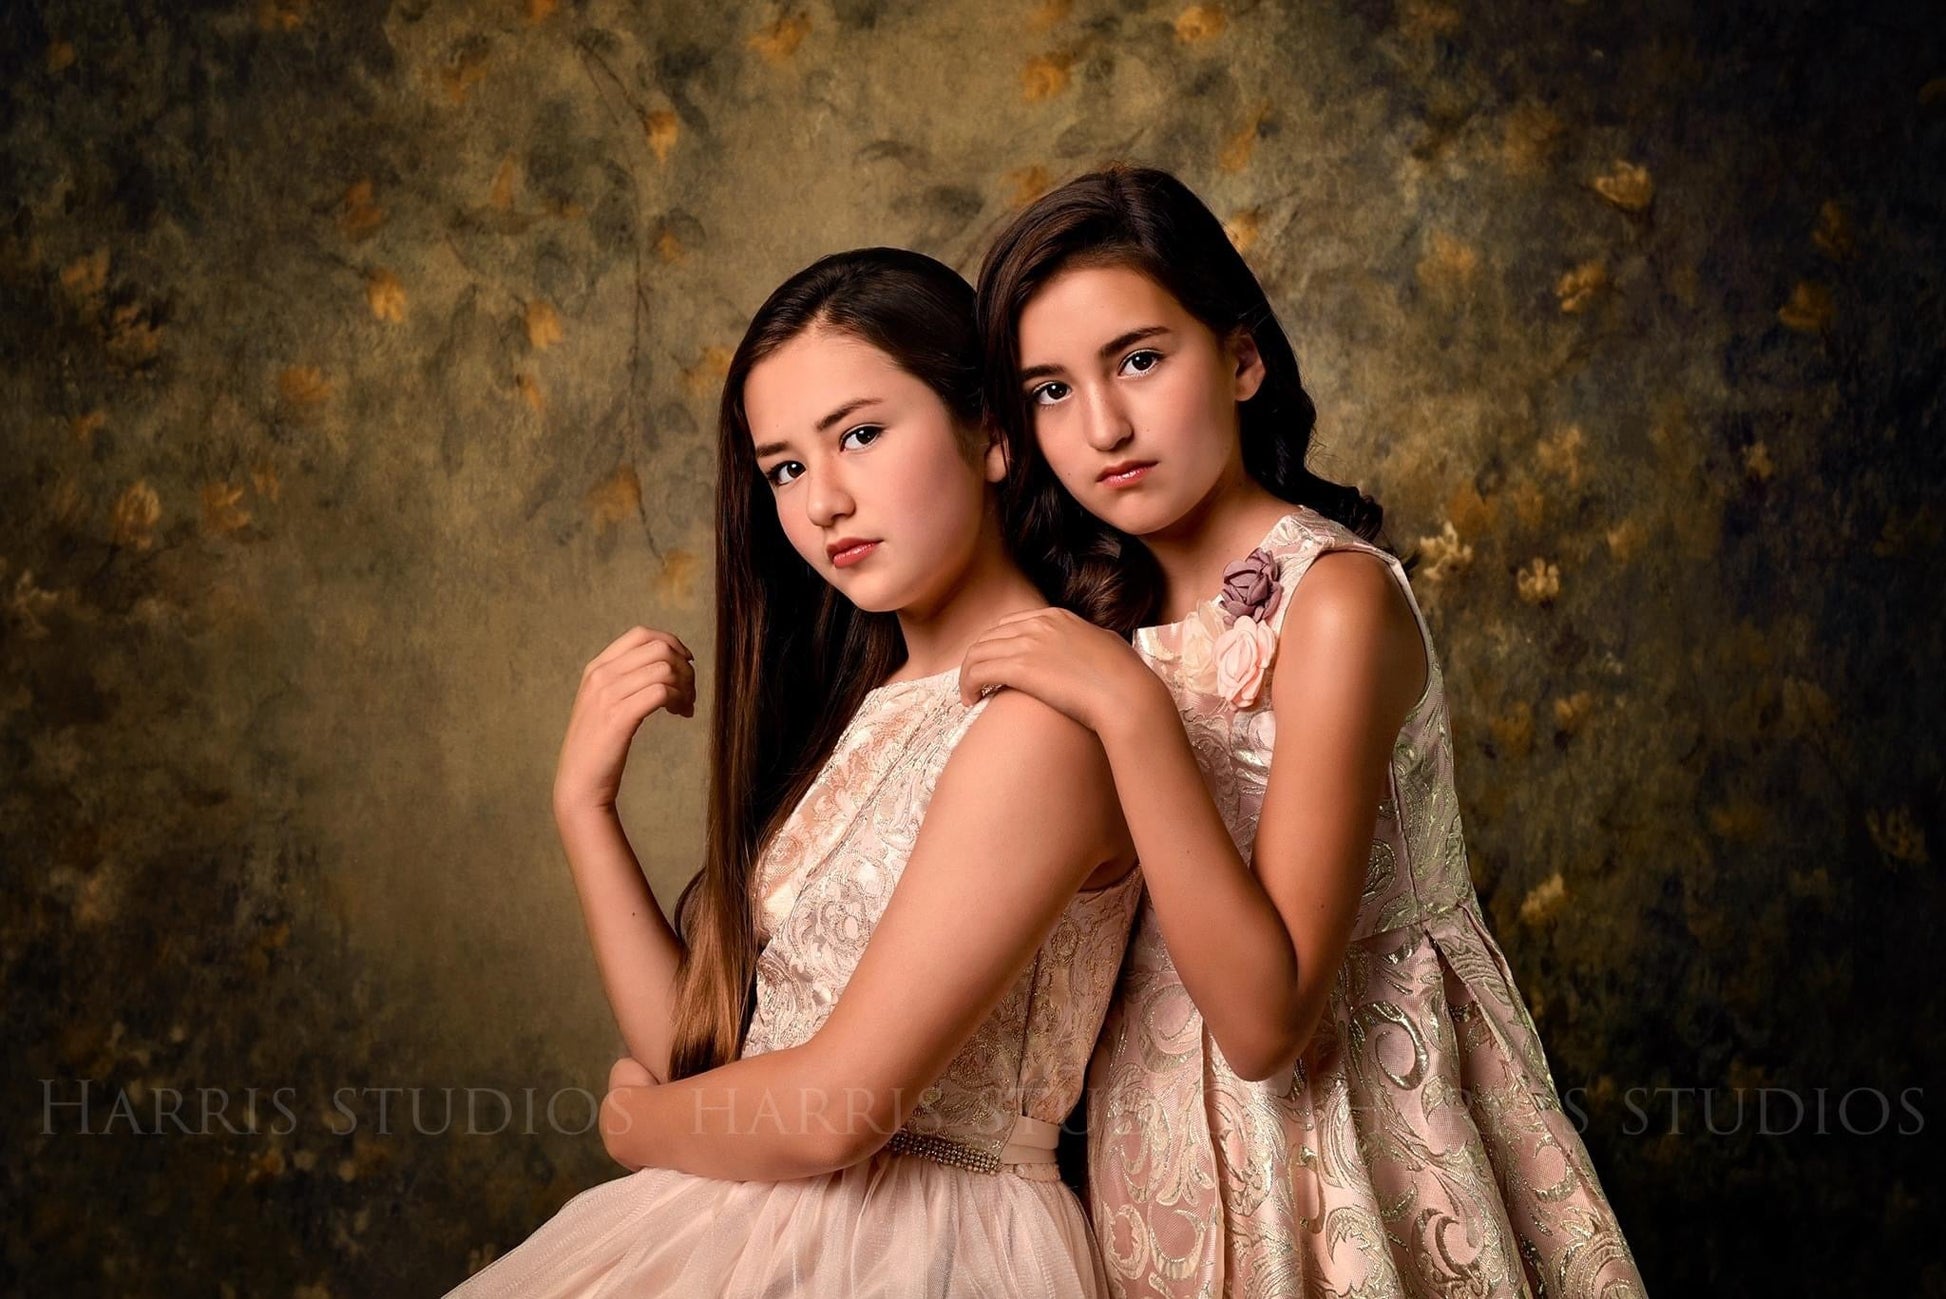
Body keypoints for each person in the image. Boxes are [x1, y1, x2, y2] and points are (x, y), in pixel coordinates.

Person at [959, 164, 1648, 1297]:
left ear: (1241, 359)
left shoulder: (1334, 602)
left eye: (1139, 359)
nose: (1103, 426)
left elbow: (1266, 1022)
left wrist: (1129, 710)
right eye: (1048, 389)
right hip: (1150, 1157)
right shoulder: (1086, 613)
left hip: (1349, 1146)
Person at [446, 248, 1142, 1297]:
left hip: (924, 1244)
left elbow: (829, 1113)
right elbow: (706, 1063)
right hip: (744, 1222)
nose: (822, 503)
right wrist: (584, 808)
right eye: (783, 468)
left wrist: (640, 1127)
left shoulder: (1042, 719)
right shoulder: (858, 709)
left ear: (992, 435)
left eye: (858, 435)